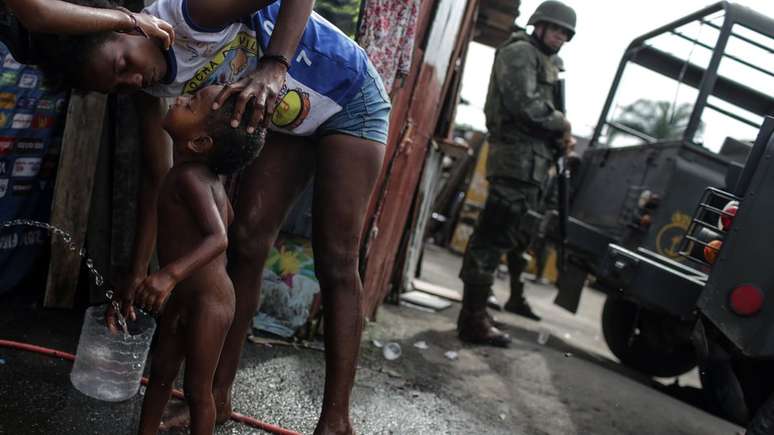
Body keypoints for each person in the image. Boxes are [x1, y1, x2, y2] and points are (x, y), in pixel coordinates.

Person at [7, 0, 389, 433]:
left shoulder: (193, 14)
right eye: (118, 86)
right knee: (246, 239)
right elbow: (159, 179)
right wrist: (135, 274)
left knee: (337, 257)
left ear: (126, 25)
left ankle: (336, 419)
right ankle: (218, 398)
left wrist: (273, 64)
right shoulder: (151, 90)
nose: (132, 79)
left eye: (123, 64)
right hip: (289, 118)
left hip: (349, 94)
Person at [132, 84, 264, 435]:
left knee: (196, 390)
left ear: (200, 143)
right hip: (186, 296)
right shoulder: (205, 178)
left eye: (190, 103)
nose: (179, 99)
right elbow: (229, 217)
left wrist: (169, 274)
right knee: (160, 372)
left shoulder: (191, 178)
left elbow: (219, 236)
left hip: (211, 301)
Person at [457, 0, 577, 347]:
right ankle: (472, 320)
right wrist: (562, 123)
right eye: (556, 29)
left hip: (530, 166)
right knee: (492, 236)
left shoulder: (549, 62)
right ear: (539, 25)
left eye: (566, 34)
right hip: (514, 160)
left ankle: (476, 311)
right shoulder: (521, 52)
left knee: (506, 235)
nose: (561, 38)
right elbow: (523, 104)